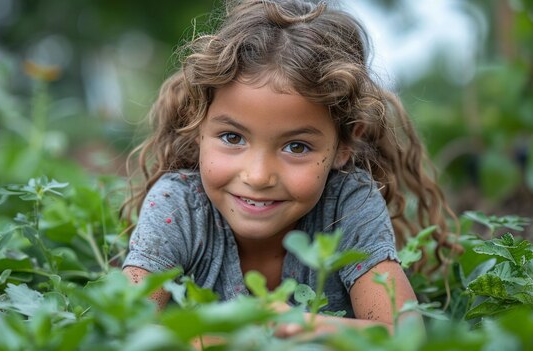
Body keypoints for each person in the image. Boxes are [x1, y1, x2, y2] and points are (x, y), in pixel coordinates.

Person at [121, 0, 456, 336]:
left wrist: (303, 327)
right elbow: (123, 325)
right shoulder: (177, 207)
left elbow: (404, 333)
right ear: (197, 129)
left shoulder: (347, 206)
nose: (258, 176)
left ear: (343, 146)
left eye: (296, 147)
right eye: (232, 137)